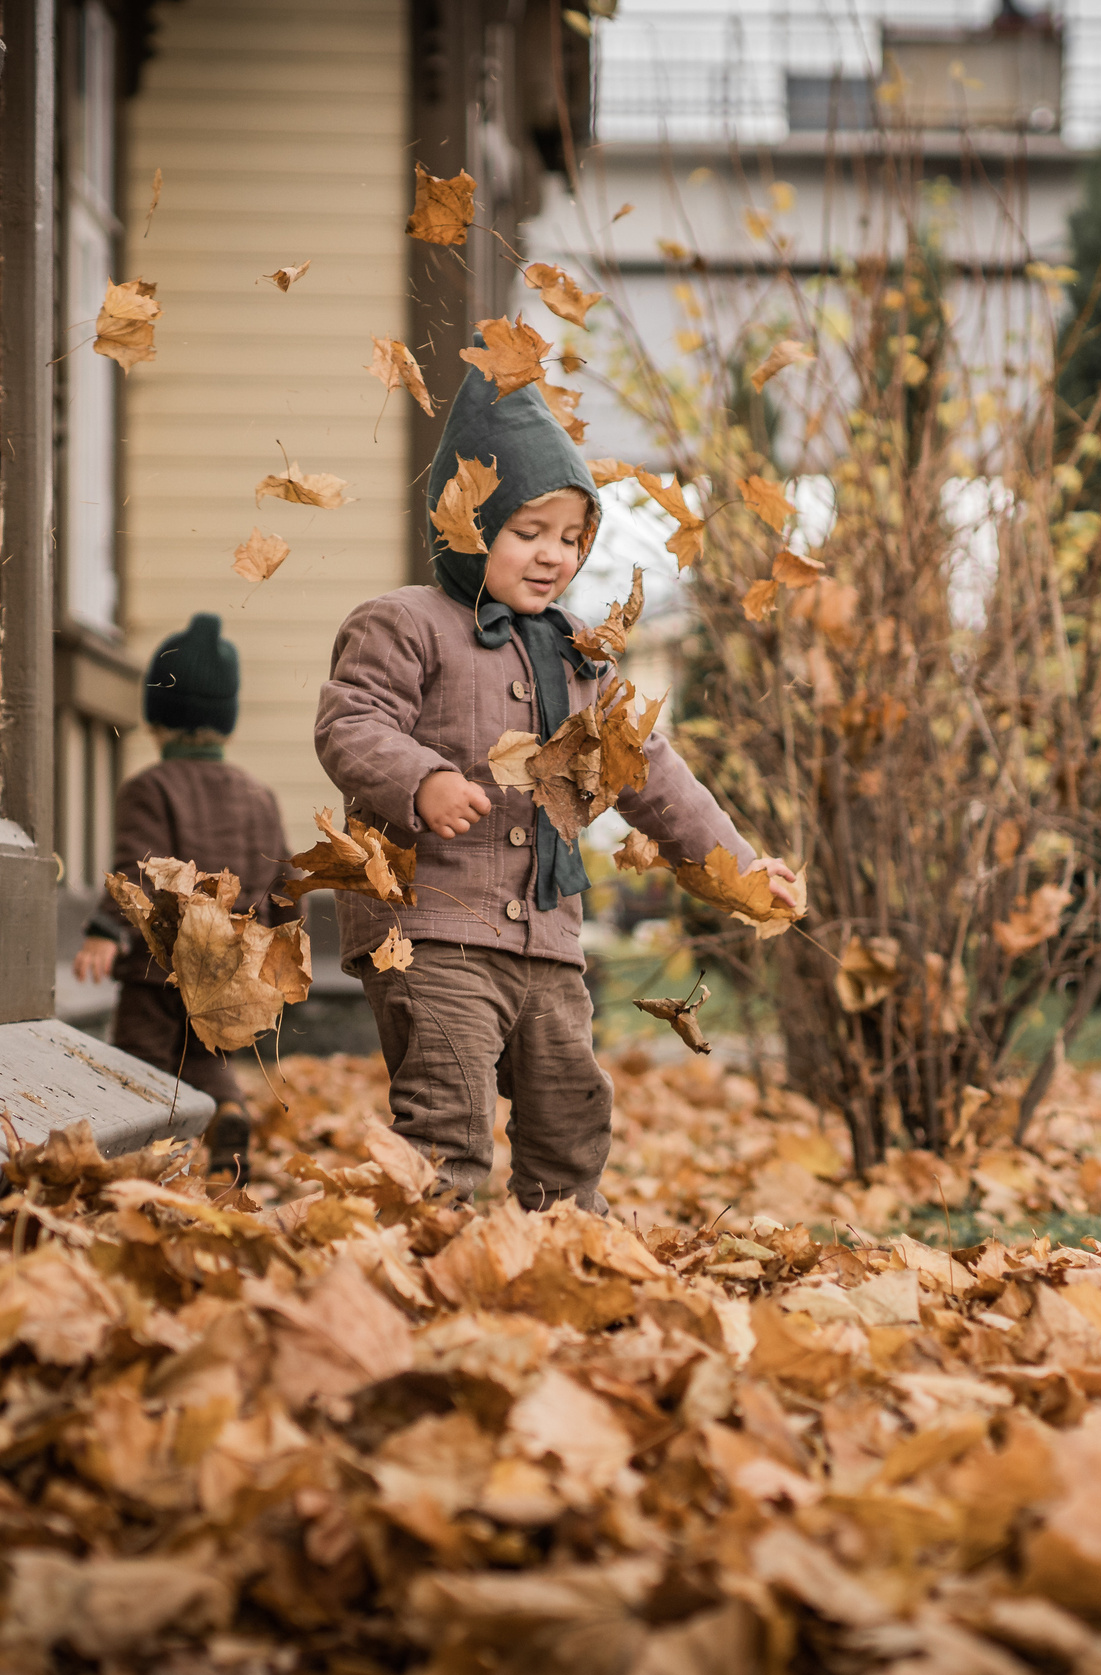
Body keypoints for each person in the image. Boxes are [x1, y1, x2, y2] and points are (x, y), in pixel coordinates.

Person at [315, 353, 798, 1212]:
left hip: (548, 941)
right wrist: (420, 779)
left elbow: (649, 770)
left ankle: (569, 1252)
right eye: (528, 531)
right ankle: (433, 1260)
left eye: (574, 538)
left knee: (570, 1115)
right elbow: (351, 724)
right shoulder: (405, 623)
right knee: (446, 1113)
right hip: (434, 931)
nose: (554, 557)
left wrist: (739, 868)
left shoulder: (583, 650)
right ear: (467, 525)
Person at [73, 612, 292, 1180]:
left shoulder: (150, 788)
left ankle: (140, 1163)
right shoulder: (259, 796)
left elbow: (138, 872)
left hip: (158, 965)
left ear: (157, 721)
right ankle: (226, 1112)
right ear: (227, 721)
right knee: (206, 1055)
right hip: (231, 969)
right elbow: (285, 884)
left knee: (141, 1055)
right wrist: (276, 962)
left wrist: (106, 929)